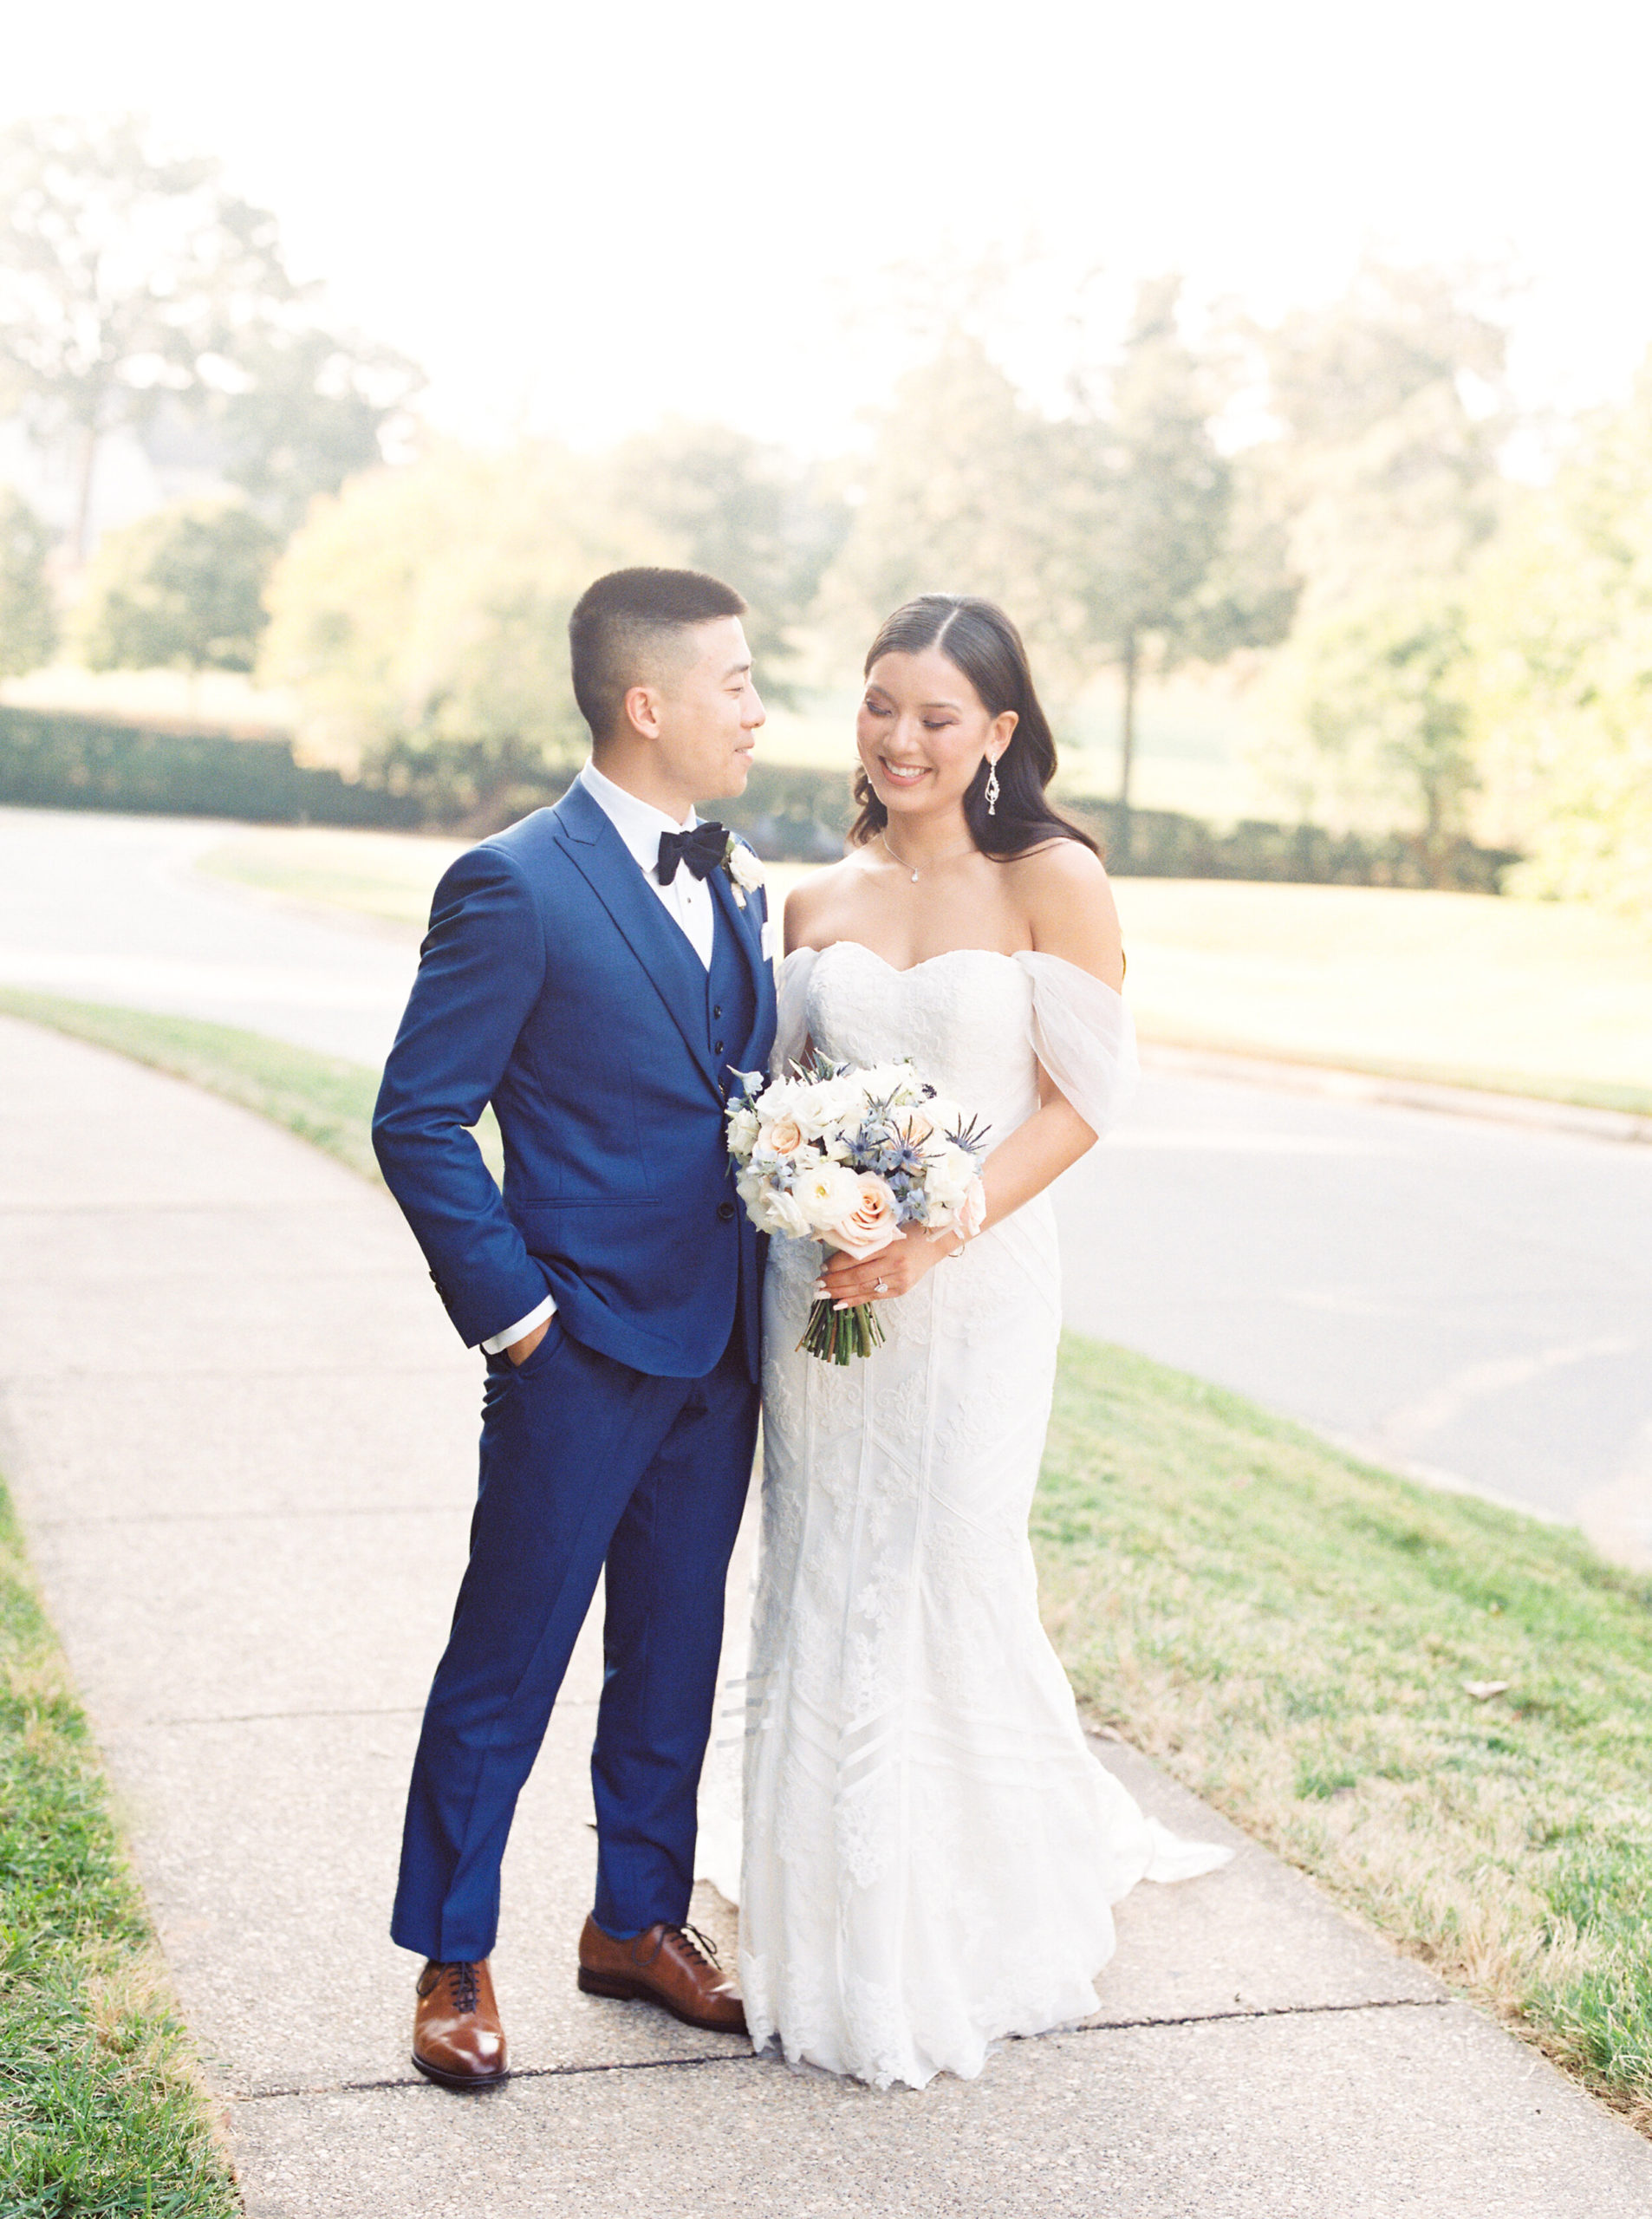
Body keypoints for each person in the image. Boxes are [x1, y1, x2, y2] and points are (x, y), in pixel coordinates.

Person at [737, 593, 1230, 2090]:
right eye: (879, 706)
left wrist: (937, 1232)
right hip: (823, 1296)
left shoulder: (1050, 881)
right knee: (824, 1563)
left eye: (936, 716)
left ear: (999, 732)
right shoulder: (813, 903)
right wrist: (809, 1202)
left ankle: (964, 1911)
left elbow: (1085, 1098)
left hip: (975, 1287)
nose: (899, 738)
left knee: (946, 1560)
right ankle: (825, 1906)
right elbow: (779, 1094)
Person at [373, 567, 777, 2089]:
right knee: (510, 1657)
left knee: (675, 1651)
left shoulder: (736, 880)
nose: (757, 708)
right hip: (577, 1349)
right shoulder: (515, 884)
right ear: (648, 703)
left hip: (718, 1350)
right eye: (735, 682)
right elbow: (419, 1122)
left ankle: (637, 1923)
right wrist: (520, 1319)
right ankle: (451, 1954)